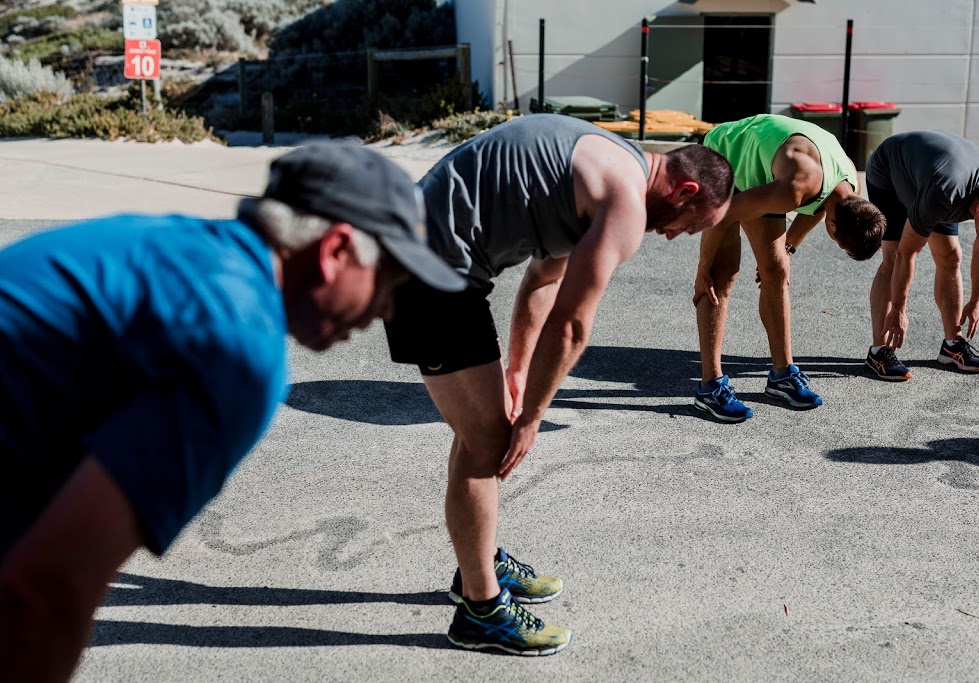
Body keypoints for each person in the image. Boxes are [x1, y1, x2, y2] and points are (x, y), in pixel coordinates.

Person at [0, 140, 464, 682]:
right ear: (335, 251)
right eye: (390, 281)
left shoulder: (175, 245)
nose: (387, 309)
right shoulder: (239, 349)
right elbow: (47, 590)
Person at [383, 113, 734, 656]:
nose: (671, 236)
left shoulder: (608, 161)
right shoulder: (624, 200)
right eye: (686, 225)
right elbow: (572, 324)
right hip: (427, 271)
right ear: (685, 190)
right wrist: (531, 418)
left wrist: (518, 374)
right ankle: (481, 610)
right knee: (488, 442)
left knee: (483, 428)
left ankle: (480, 560)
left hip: (434, 261)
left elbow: (543, 280)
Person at [691, 113, 886, 423]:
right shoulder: (791, 190)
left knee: (777, 271)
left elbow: (820, 206)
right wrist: (703, 267)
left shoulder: (849, 184)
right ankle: (709, 387)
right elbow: (721, 214)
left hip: (766, 171)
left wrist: (789, 246)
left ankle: (781, 375)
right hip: (722, 156)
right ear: (834, 227)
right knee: (722, 274)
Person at [864, 130, 979, 380]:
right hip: (891, 172)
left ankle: (952, 345)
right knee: (893, 254)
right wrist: (898, 310)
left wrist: (977, 299)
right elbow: (907, 254)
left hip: (933, 177)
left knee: (950, 256)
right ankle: (879, 350)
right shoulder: (944, 195)